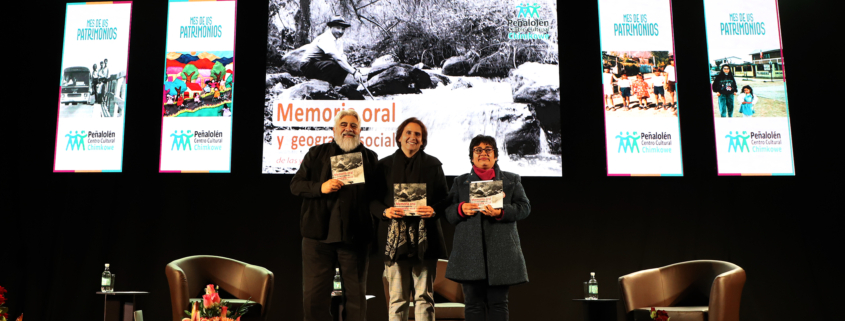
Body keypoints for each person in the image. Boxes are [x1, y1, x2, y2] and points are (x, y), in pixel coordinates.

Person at [291, 109, 379, 321]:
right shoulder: (316, 153)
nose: (348, 129)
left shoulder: (369, 157)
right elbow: (296, 185)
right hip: (317, 239)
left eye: (353, 126)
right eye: (344, 124)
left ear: (359, 131)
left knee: (356, 299)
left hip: (354, 238)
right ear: (334, 129)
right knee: (314, 298)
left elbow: (376, 194)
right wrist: (321, 187)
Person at [444, 135, 531, 321]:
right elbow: (448, 213)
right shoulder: (460, 182)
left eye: (488, 149)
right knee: (473, 305)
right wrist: (460, 209)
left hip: (501, 252)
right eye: (478, 150)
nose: (483, 153)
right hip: (469, 253)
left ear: (496, 155)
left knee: (499, 304)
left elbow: (525, 208)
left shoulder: (511, 180)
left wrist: (501, 212)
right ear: (472, 156)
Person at [371, 117, 449, 321]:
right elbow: (372, 200)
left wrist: (433, 210)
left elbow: (446, 199)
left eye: (418, 134)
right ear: (399, 137)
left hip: (426, 241)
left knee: (424, 297)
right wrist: (385, 212)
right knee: (397, 299)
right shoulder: (384, 165)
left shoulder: (433, 164)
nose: (412, 137)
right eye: (408, 133)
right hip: (395, 242)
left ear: (423, 141)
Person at [301, 16, 366, 86]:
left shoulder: (339, 40)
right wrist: (354, 72)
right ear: (331, 27)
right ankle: (324, 86)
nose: (340, 31)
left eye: (343, 29)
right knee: (334, 65)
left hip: (321, 63)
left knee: (343, 66)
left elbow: (341, 57)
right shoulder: (325, 38)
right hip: (308, 66)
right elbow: (337, 58)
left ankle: (336, 87)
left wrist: (352, 69)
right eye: (338, 28)